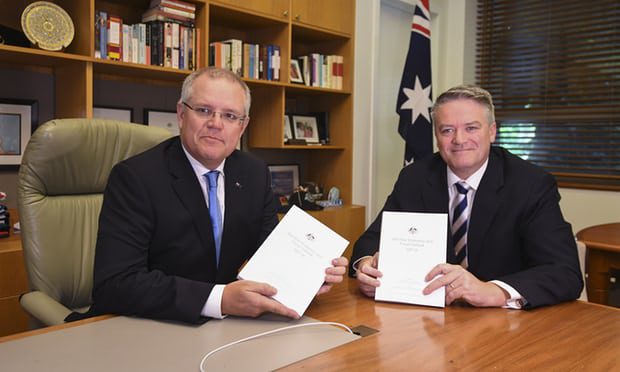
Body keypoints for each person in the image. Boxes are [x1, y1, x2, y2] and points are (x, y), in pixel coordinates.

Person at [79, 67, 348, 324]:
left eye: (230, 116)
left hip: (226, 329)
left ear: (242, 127)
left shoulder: (254, 173)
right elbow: (116, 284)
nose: (215, 124)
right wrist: (219, 299)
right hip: (144, 326)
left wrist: (309, 275)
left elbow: (270, 254)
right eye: (204, 110)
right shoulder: (135, 178)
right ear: (182, 114)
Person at [350, 85, 582, 309]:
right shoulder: (415, 178)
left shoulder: (530, 183)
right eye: (447, 130)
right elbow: (371, 241)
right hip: (428, 316)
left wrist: (493, 291)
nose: (459, 140)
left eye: (471, 128)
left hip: (505, 325)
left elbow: (564, 271)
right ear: (437, 136)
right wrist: (367, 266)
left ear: (491, 132)